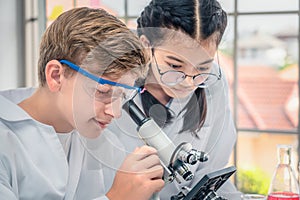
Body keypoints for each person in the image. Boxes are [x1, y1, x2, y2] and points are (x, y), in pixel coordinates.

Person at [0, 7, 165, 200]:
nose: (115, 112)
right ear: (56, 76)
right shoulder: (6, 141)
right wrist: (116, 197)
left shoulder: (103, 142)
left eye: (122, 95)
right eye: (103, 91)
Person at [106, 0, 242, 199]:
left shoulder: (214, 83)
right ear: (146, 45)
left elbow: (209, 173)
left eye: (202, 68)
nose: (188, 81)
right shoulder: (113, 90)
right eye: (175, 65)